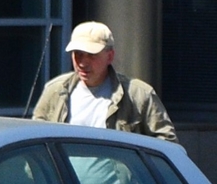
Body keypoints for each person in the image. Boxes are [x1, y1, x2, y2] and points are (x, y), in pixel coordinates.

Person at [31, 21, 178, 141]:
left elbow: (167, 141)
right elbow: (34, 139)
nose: (83, 62)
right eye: (78, 54)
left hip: (117, 178)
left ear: (110, 56)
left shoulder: (138, 94)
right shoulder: (55, 90)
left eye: (91, 55)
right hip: (62, 177)